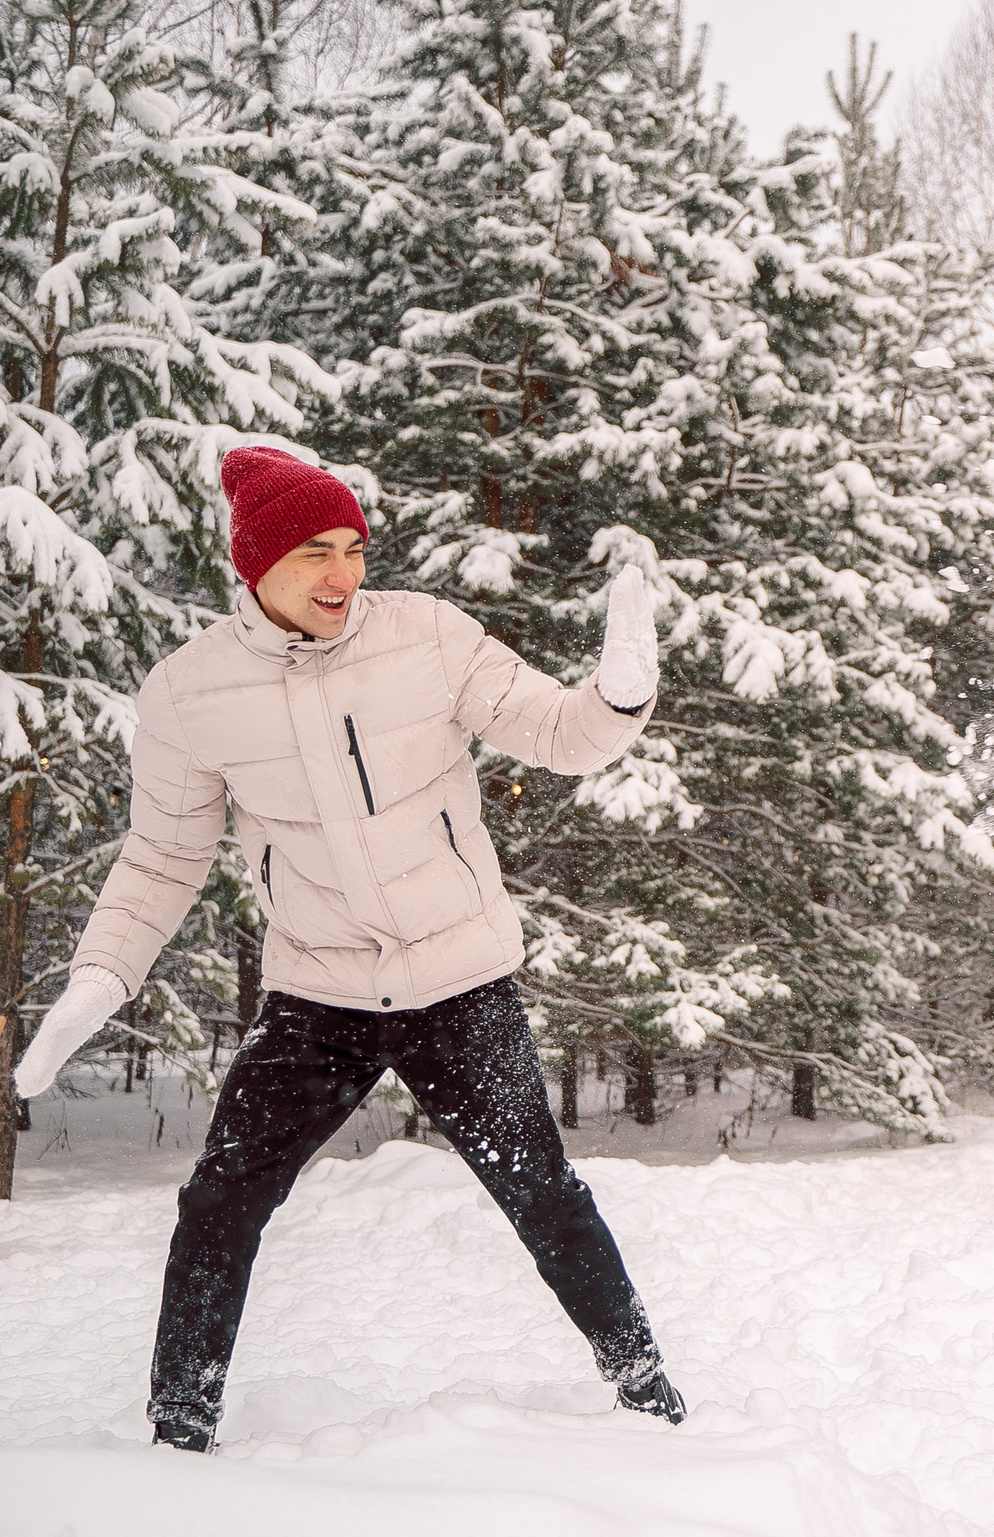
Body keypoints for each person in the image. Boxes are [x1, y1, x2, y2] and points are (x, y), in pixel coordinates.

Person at [12, 446, 687, 1452]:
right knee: (221, 1197)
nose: (342, 575)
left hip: (456, 978)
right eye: (313, 551)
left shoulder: (425, 637)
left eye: (353, 548)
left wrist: (618, 696)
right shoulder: (189, 694)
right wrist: (103, 972)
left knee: (538, 1186)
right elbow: (161, 857)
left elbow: (555, 729)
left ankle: (646, 1386)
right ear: (254, 562)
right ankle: (179, 1425)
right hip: (317, 993)